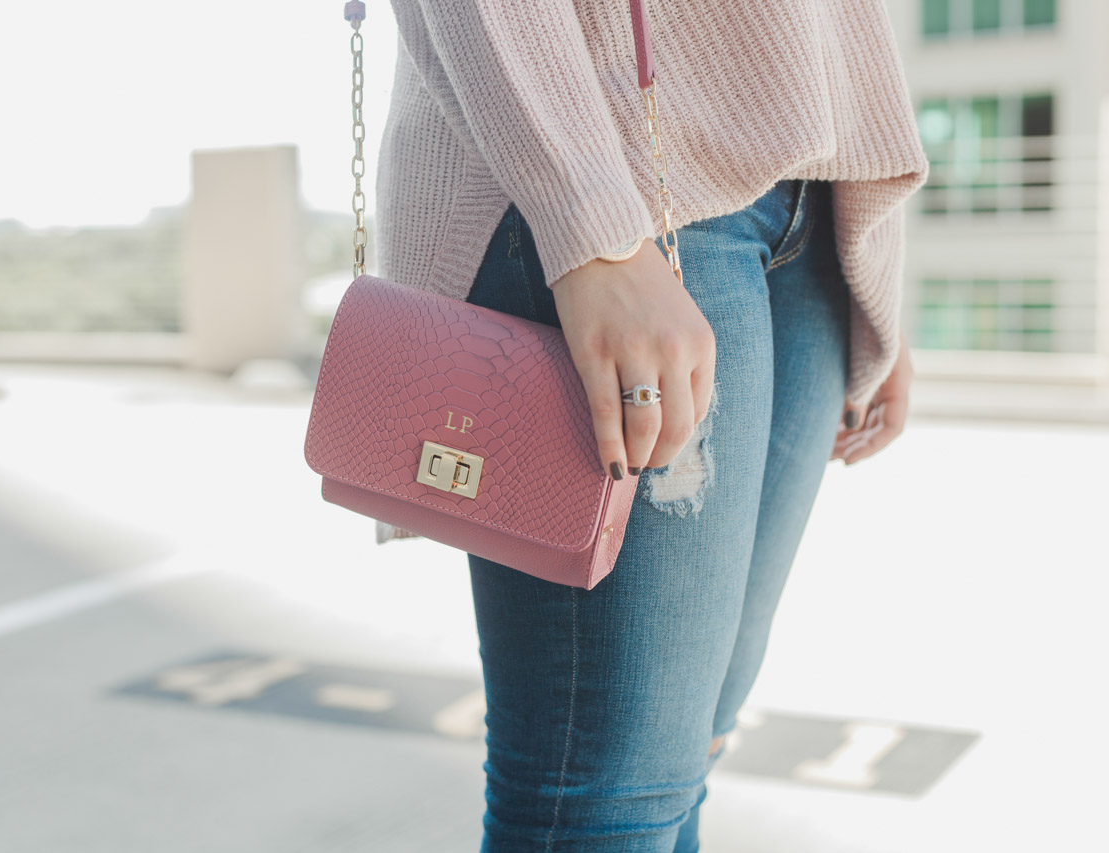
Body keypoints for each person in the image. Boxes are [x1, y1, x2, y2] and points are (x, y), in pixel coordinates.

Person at [371, 1, 929, 849]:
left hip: (813, 204)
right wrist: (590, 231)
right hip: (623, 178)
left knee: (690, 752)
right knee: (605, 796)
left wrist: (877, 264)